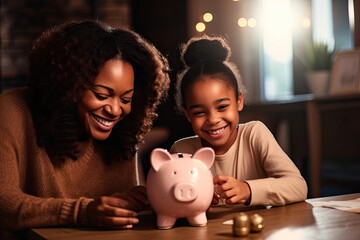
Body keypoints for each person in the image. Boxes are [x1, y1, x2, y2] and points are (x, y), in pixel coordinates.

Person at [0, 20, 170, 239]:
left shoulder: (122, 133)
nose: (115, 110)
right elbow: (4, 203)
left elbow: (123, 203)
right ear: (69, 85)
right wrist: (83, 212)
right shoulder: (12, 110)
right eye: (101, 95)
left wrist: (136, 198)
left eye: (126, 99)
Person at [170, 35, 307, 207]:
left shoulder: (254, 134)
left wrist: (248, 189)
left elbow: (298, 186)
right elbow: (168, 200)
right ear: (187, 114)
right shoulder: (181, 151)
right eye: (199, 112)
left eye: (222, 107)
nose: (213, 119)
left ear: (239, 101)